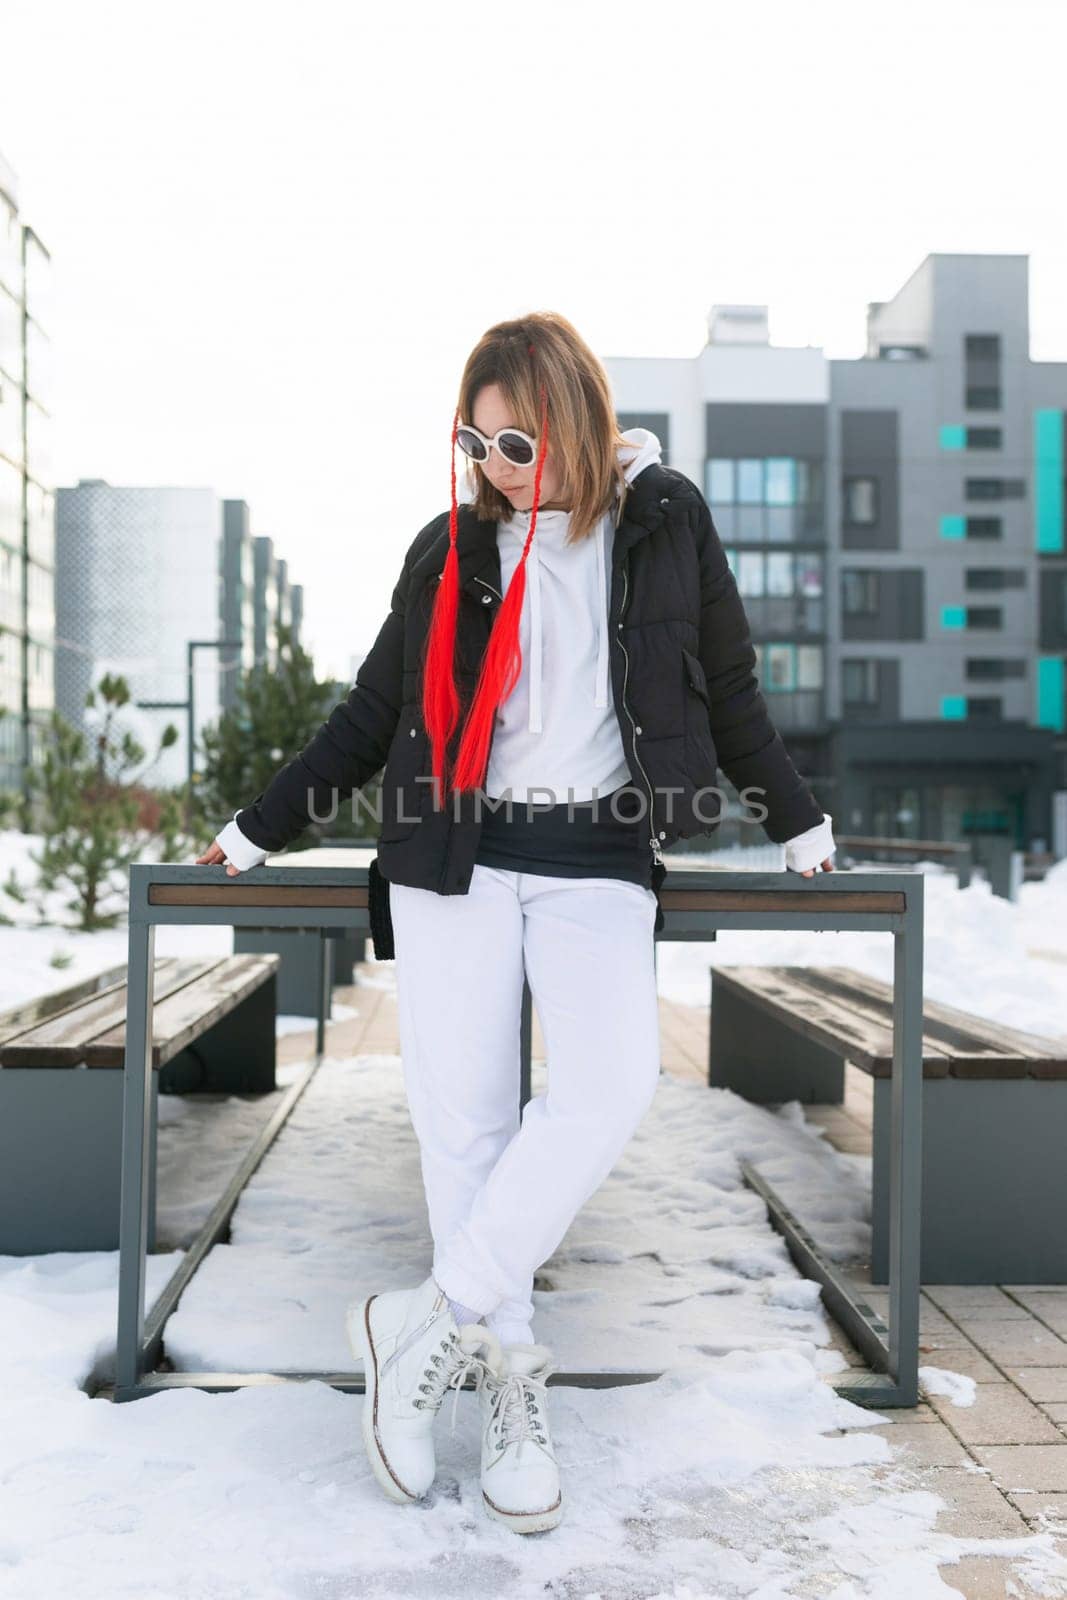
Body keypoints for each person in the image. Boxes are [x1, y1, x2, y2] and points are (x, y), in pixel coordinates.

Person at [196, 311, 835, 1534]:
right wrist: (256, 827)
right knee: (469, 1124)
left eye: (517, 440)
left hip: (597, 849)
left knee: (606, 1083)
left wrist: (794, 816)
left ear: (576, 421)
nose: (496, 463)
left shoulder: (664, 521)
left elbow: (731, 684)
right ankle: (500, 1378)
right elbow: (372, 708)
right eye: (474, 441)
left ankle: (421, 1320)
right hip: (457, 853)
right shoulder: (451, 549)